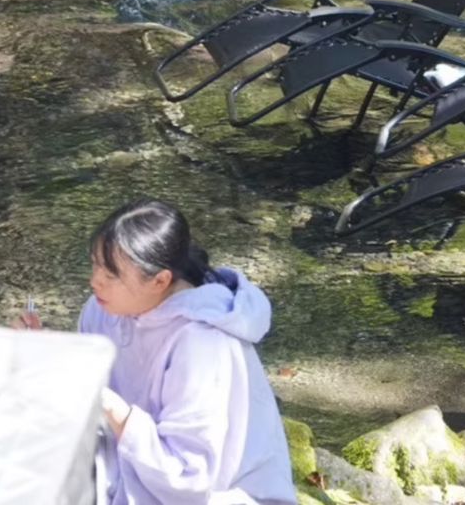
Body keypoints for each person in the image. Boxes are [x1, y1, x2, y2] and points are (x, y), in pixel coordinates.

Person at [19, 199, 297, 504]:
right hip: (125, 471)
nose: (94, 281)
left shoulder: (202, 342)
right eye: (95, 263)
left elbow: (189, 479)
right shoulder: (102, 310)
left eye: (111, 275)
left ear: (160, 280)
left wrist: (113, 409)